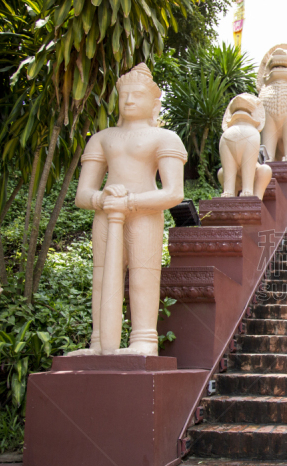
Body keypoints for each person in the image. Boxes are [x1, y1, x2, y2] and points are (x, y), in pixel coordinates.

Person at [71, 64, 187, 356]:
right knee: (101, 275)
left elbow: (173, 192)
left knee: (143, 273)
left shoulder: (165, 138)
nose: (129, 100)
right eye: (124, 95)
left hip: (144, 214)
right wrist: (103, 198)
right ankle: (99, 341)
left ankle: (144, 339)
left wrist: (131, 201)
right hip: (107, 212)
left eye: (137, 94)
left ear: (154, 103)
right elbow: (82, 193)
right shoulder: (102, 137)